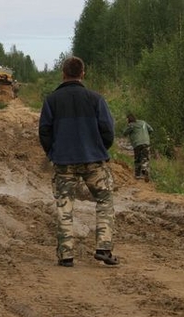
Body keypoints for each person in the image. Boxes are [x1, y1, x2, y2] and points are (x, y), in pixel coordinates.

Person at [38, 56, 119, 267]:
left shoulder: (52, 100)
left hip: (64, 162)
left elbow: (44, 131)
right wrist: (98, 148)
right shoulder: (96, 99)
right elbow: (108, 131)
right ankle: (104, 248)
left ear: (63, 74)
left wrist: (54, 152)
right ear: (82, 74)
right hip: (94, 161)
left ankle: (66, 255)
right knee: (104, 199)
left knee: (64, 206)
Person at [123, 113, 153, 181]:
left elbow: (125, 133)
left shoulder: (131, 125)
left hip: (137, 144)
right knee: (146, 158)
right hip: (146, 142)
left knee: (137, 159)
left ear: (128, 119)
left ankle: (137, 175)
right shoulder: (143, 122)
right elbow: (151, 130)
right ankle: (145, 170)